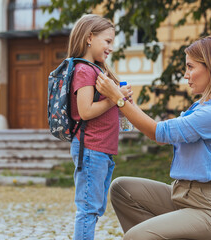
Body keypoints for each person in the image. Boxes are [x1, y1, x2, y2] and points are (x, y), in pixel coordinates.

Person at [96, 35, 211, 240]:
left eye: (190, 67)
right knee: (122, 189)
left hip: (207, 209)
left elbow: (158, 133)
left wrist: (119, 99)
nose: (186, 75)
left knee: (136, 237)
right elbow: (163, 133)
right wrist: (128, 104)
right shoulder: (201, 107)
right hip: (181, 195)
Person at [68, 14, 133, 240]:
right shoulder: (84, 70)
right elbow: (85, 111)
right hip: (91, 149)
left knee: (93, 209)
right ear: (89, 38)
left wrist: (121, 98)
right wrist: (114, 98)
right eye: (107, 41)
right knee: (87, 210)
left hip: (100, 150)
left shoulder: (96, 69)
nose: (110, 47)